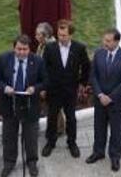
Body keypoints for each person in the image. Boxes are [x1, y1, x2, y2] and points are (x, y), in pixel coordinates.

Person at [0, 34, 47, 177]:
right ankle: (9, 162)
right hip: (9, 103)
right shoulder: (4, 59)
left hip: (30, 105)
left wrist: (34, 89)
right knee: (9, 136)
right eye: (19, 49)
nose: (22, 52)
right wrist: (5, 88)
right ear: (14, 48)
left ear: (30, 49)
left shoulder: (38, 61)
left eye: (25, 49)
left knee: (31, 136)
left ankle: (32, 162)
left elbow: (45, 81)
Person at [42, 20, 91, 159]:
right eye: (59, 35)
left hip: (70, 90)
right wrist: (45, 86)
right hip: (54, 90)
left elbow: (86, 66)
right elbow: (44, 68)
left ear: (71, 35)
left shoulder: (79, 48)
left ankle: (72, 143)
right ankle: (50, 143)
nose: (61, 38)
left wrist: (82, 82)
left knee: (71, 118)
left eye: (64, 35)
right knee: (52, 117)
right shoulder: (50, 48)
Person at [87, 27, 121, 172]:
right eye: (104, 39)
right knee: (98, 127)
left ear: (117, 41)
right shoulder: (99, 54)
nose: (104, 43)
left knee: (116, 130)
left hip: (117, 102)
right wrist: (100, 95)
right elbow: (93, 76)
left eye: (108, 40)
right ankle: (98, 152)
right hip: (100, 100)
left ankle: (115, 157)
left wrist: (110, 97)